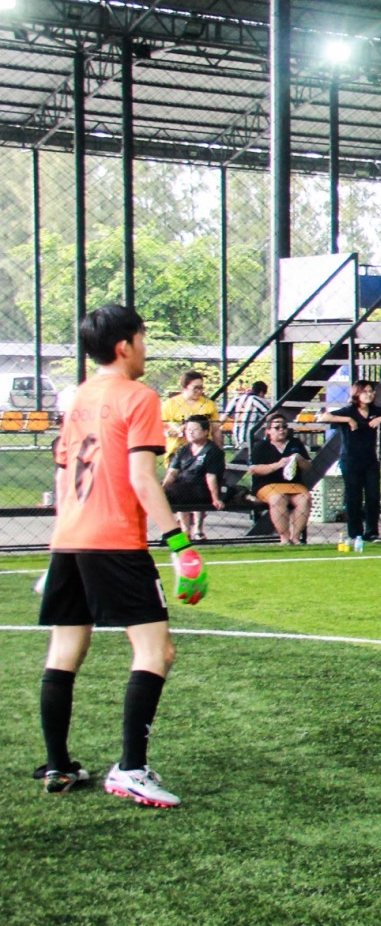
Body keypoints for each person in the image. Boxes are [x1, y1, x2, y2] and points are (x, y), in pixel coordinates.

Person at [37, 304, 206, 808]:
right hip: (114, 541)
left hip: (70, 539)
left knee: (65, 650)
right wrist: (180, 544)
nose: (145, 347)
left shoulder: (80, 396)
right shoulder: (138, 396)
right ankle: (131, 769)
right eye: (143, 338)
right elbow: (140, 478)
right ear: (124, 346)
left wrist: (59, 543)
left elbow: (63, 475)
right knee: (157, 652)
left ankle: (59, 765)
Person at [317, 379, 381, 546]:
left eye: (371, 391)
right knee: (353, 497)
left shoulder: (375, 411)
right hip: (350, 460)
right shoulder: (348, 411)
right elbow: (324, 417)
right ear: (357, 393)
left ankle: (372, 532)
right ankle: (355, 532)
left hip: (370, 460)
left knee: (373, 497)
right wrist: (347, 420)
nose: (369, 394)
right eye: (365, 391)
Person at [248, 414, 312, 544]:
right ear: (268, 431)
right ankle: (284, 537)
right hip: (267, 484)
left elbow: (308, 467)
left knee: (305, 499)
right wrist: (277, 465)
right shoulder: (261, 446)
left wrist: (300, 459)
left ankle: (296, 537)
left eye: (284, 427)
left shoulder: (295, 443)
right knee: (278, 498)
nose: (281, 430)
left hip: (293, 484)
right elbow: (254, 469)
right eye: (277, 427)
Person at [161, 416, 226, 542]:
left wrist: (215, 498)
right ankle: (184, 530)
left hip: (203, 488)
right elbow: (173, 472)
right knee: (164, 491)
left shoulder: (213, 451)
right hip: (183, 487)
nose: (190, 432)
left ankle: (195, 529)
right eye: (188, 429)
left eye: (195, 429)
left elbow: (211, 476)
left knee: (177, 491)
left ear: (206, 432)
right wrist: (163, 488)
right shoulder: (183, 450)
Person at [159, 370, 219, 446]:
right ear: (185, 387)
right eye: (196, 388)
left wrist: (218, 448)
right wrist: (170, 432)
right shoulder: (169, 404)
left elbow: (216, 430)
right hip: (177, 448)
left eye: (201, 388)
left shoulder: (209, 404)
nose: (199, 391)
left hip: (203, 448)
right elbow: (160, 427)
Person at [224, 380, 272, 450]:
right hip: (252, 438)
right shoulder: (258, 400)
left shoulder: (236, 399)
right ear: (261, 392)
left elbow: (225, 416)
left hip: (237, 437)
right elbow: (271, 416)